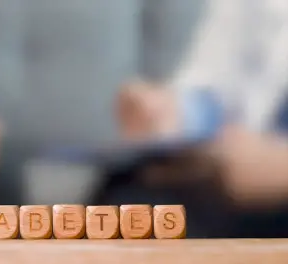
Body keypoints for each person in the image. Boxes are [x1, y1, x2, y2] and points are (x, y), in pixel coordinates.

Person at [116, 0, 288, 237]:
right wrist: (174, 112)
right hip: (229, 172)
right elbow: (217, 86)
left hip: (268, 192)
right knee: (128, 210)